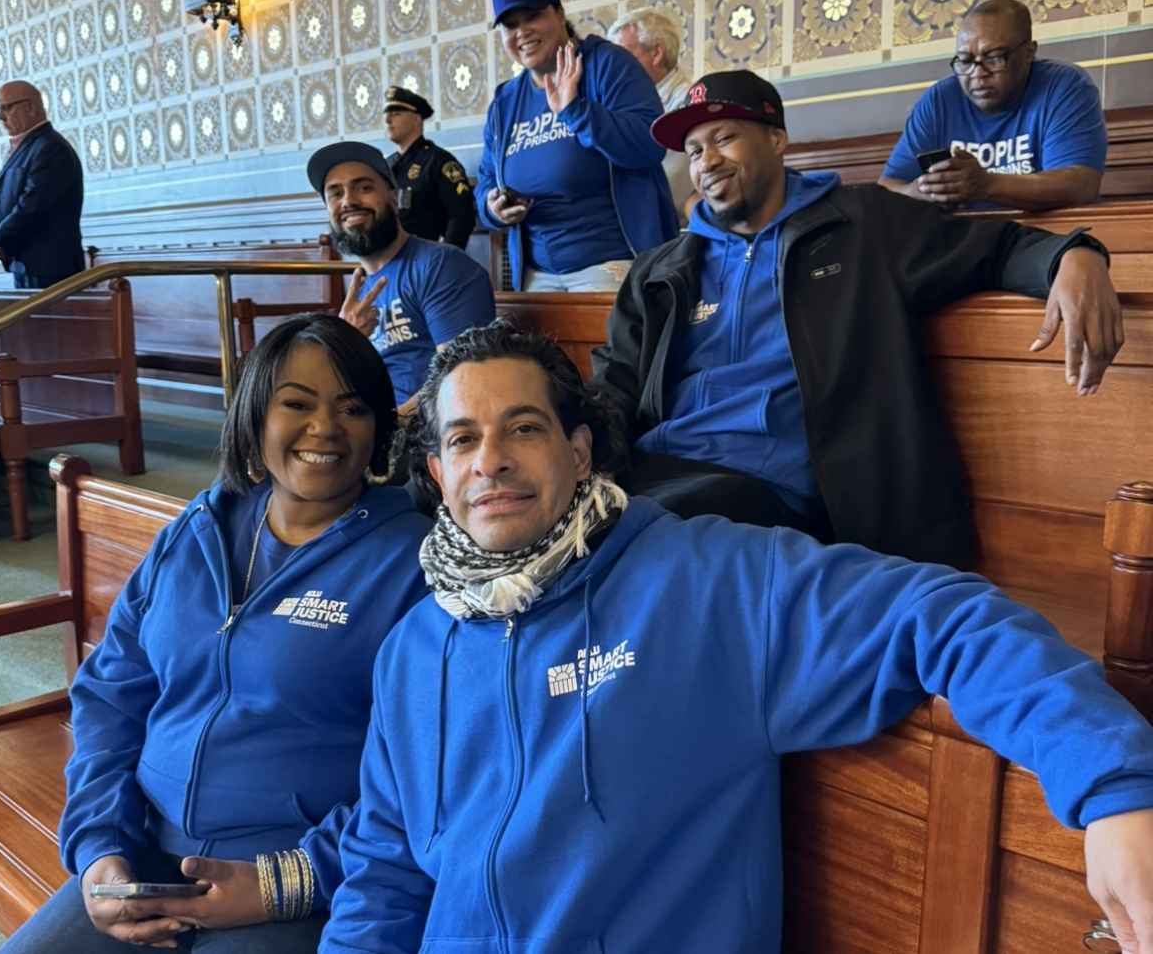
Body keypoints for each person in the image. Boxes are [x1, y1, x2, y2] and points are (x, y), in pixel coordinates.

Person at [319, 321, 1153, 954]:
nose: (489, 460)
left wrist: (1116, 788)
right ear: (435, 472)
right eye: (462, 438)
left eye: (524, 428)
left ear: (578, 452)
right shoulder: (414, 647)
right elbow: (384, 874)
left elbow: (943, 616)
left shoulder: (706, 582)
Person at [0, 315, 431, 954]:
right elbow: (112, 695)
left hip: (294, 881)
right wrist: (99, 849)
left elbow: (424, 775)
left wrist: (287, 882)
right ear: (256, 416)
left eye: (353, 408)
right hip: (143, 856)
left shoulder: (413, 565)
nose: (325, 428)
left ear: (378, 431)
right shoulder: (195, 529)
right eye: (297, 403)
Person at [590, 69, 1124, 568]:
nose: (707, 162)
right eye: (694, 150)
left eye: (725, 138)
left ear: (776, 139)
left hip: (776, 492)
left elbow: (997, 247)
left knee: (654, 542)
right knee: (572, 529)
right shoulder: (661, 272)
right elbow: (613, 387)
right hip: (660, 473)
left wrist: (1074, 256)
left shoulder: (864, 222)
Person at [474, 0, 678, 293]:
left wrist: (577, 113)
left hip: (611, 263)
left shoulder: (608, 65)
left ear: (559, 14)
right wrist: (491, 207)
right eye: (510, 25)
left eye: (533, 16)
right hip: (535, 273)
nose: (522, 32)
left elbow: (649, 143)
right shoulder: (505, 101)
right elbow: (486, 179)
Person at [307, 140, 494, 415]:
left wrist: (388, 427)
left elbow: (461, 378)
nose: (348, 200)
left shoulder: (440, 265)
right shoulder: (360, 289)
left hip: (425, 434)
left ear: (394, 198)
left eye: (364, 187)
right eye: (335, 193)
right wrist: (347, 341)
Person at [879, 0, 1106, 212]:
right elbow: (888, 186)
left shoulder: (1063, 87)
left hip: (1042, 235)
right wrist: (920, 191)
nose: (978, 73)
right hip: (964, 237)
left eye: (994, 58)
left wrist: (988, 184)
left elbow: (1080, 184)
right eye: (965, 61)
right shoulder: (940, 100)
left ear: (1029, 53)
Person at [0, 80, 84, 289]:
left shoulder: (51, 148)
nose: (0, 117)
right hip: (27, 266)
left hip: (50, 270)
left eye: (6, 108)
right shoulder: (30, 147)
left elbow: (32, 206)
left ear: (31, 107)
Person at [608, 8, 695, 223]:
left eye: (623, 58)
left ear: (656, 53)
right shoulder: (620, 103)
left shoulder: (690, 102)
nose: (614, 70)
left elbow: (671, 185)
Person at [382, 86, 476, 250]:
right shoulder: (386, 166)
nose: (388, 120)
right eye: (387, 114)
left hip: (427, 259)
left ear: (417, 118)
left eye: (396, 113)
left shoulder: (439, 162)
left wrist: (447, 258)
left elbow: (462, 216)